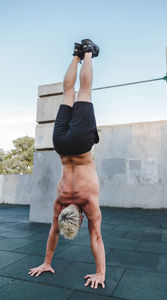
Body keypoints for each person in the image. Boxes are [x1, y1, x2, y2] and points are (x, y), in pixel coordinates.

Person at [28, 39, 106, 289]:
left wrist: (100, 274)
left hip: (81, 145)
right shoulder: (58, 203)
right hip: (60, 145)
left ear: (79, 218)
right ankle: (75, 55)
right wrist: (45, 261)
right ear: (64, 216)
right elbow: (53, 233)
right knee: (67, 94)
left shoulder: (88, 203)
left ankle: (88, 53)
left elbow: (96, 237)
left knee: (84, 92)